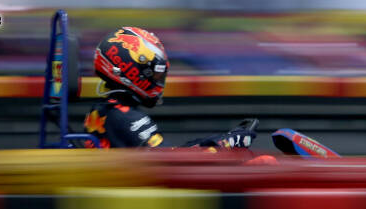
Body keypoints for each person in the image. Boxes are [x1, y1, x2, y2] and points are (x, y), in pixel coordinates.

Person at [84, 26, 256, 150]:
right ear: (129, 69)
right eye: (156, 75)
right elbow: (171, 163)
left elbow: (170, 155)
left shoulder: (105, 110)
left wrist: (219, 140)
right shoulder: (124, 117)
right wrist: (225, 145)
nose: (159, 82)